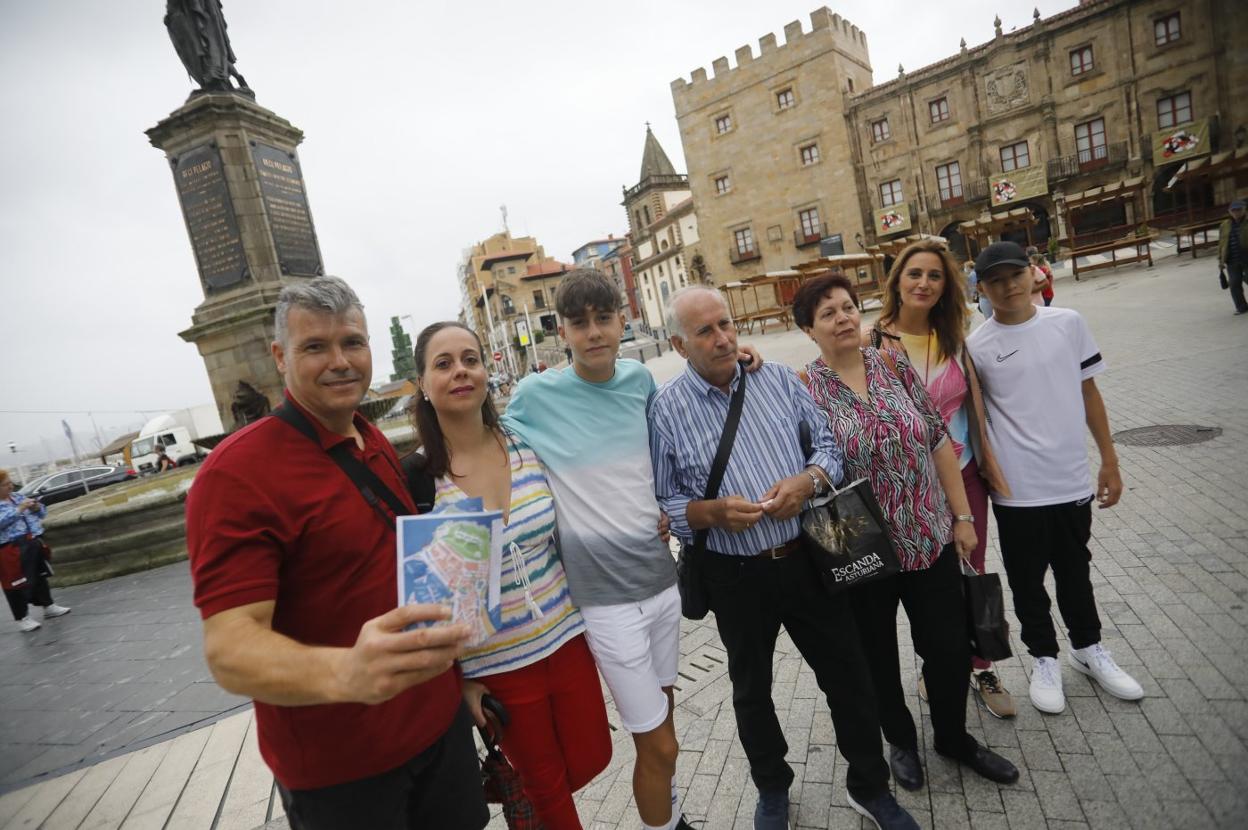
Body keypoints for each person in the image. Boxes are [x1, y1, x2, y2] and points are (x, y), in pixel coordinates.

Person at [185, 276, 488, 830]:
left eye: (352, 342)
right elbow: (229, 648)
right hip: (343, 770)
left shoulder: (370, 439)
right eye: (315, 347)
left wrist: (458, 677)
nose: (340, 361)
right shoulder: (235, 474)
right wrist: (347, 671)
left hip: (439, 730)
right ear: (280, 357)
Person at [650, 285, 919, 830]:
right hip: (734, 574)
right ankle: (772, 787)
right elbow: (663, 499)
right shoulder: (666, 410)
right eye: (706, 332)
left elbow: (829, 449)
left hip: (807, 557)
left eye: (726, 324)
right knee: (752, 691)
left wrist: (807, 480)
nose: (724, 338)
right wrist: (710, 513)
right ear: (680, 345)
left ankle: (870, 786)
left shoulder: (776, 380)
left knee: (848, 674)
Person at [503, 269, 722, 830]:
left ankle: (671, 818)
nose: (594, 332)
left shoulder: (638, 381)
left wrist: (741, 363)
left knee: (665, 726)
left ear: (623, 321)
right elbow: (484, 437)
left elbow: (675, 428)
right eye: (580, 323)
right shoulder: (535, 396)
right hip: (605, 603)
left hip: (660, 583)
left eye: (604, 319)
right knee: (662, 745)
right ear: (563, 331)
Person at [798, 275, 1020, 794]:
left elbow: (939, 438)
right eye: (828, 313)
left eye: (849, 307)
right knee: (875, 653)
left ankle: (953, 737)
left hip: (928, 534)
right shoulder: (802, 387)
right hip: (861, 548)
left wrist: (963, 519)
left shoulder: (892, 363)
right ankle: (898, 740)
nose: (844, 318)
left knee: (945, 647)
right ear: (809, 328)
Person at [408, 320, 611, 829]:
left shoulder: (523, 442)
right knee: (546, 788)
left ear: (485, 370)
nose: (460, 372)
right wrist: (459, 685)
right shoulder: (415, 477)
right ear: (423, 385)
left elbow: (592, 398)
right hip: (496, 665)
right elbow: (418, 600)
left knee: (593, 757)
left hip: (566, 639)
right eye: (444, 364)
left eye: (470, 359)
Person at [968, 241, 1144, 715]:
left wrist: (1109, 460)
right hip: (1017, 489)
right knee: (1027, 580)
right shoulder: (977, 347)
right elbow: (976, 418)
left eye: (1015, 275)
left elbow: (1090, 394)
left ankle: (1088, 650)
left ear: (1034, 274)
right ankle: (1044, 658)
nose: (1008, 287)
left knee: (1074, 570)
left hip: (1070, 478)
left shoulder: (1067, 323)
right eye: (996, 280)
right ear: (981, 288)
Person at [864, 240, 1016, 719]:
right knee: (932, 584)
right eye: (914, 274)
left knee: (971, 567)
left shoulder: (951, 336)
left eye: (934, 276)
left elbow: (974, 404)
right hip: (906, 486)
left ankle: (982, 664)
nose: (924, 284)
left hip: (964, 473)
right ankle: (940, 668)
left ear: (946, 286)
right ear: (898, 282)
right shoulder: (874, 341)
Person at [0, 469, 71, 633]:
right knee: (15, 583)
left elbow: (41, 513)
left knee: (40, 575)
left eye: (10, 483)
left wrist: (36, 507)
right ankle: (22, 617)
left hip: (31, 541)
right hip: (10, 547)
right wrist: (19, 510)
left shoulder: (17, 497)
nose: (10, 486)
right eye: (5, 485)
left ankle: (49, 606)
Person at [1218, 198, 1248, 316]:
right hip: (1232, 259)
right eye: (1233, 210)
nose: (1236, 212)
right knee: (1234, 283)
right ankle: (1241, 307)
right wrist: (1221, 259)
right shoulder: (1225, 225)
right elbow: (1222, 243)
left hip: (1246, 257)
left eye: (1239, 210)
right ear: (1230, 211)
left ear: (1244, 210)